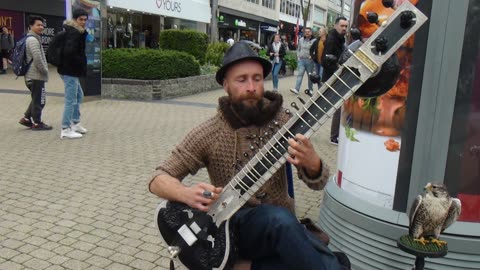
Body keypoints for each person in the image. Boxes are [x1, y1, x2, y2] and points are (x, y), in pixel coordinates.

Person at [149, 42, 349, 270]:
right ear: (225, 85)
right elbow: (158, 179)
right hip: (233, 232)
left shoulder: (285, 122)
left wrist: (313, 163)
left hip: (283, 231)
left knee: (336, 264)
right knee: (279, 220)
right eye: (241, 79)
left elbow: (319, 183)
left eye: (257, 78)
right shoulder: (210, 132)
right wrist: (185, 193)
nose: (252, 87)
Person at [58, 9, 88, 139]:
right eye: (81, 19)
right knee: (71, 99)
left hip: (70, 70)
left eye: (85, 19)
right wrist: (80, 61)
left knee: (79, 95)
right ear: (75, 19)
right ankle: (65, 128)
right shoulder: (73, 33)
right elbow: (70, 53)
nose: (83, 22)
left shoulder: (75, 32)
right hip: (69, 70)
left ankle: (75, 123)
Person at [18, 16, 52, 130]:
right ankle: (37, 123)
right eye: (38, 25)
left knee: (36, 98)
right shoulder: (32, 40)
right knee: (40, 100)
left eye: (42, 25)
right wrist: (45, 70)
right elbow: (37, 59)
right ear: (31, 26)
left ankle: (26, 119)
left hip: (31, 76)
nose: (41, 27)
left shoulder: (33, 38)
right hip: (35, 76)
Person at [322, 17, 348, 145]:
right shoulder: (332, 40)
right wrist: (338, 69)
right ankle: (334, 137)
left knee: (333, 107)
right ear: (336, 26)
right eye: (342, 26)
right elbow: (325, 60)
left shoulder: (340, 39)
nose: (344, 28)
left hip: (335, 77)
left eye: (345, 26)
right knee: (334, 108)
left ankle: (335, 135)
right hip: (332, 78)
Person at [290, 27, 315, 95]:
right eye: (305, 32)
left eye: (308, 32)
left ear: (311, 33)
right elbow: (298, 49)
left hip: (309, 61)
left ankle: (310, 89)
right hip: (301, 61)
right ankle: (296, 89)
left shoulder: (314, 41)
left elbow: (316, 51)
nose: (307, 33)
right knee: (300, 75)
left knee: (310, 76)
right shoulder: (301, 40)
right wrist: (298, 56)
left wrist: (312, 56)